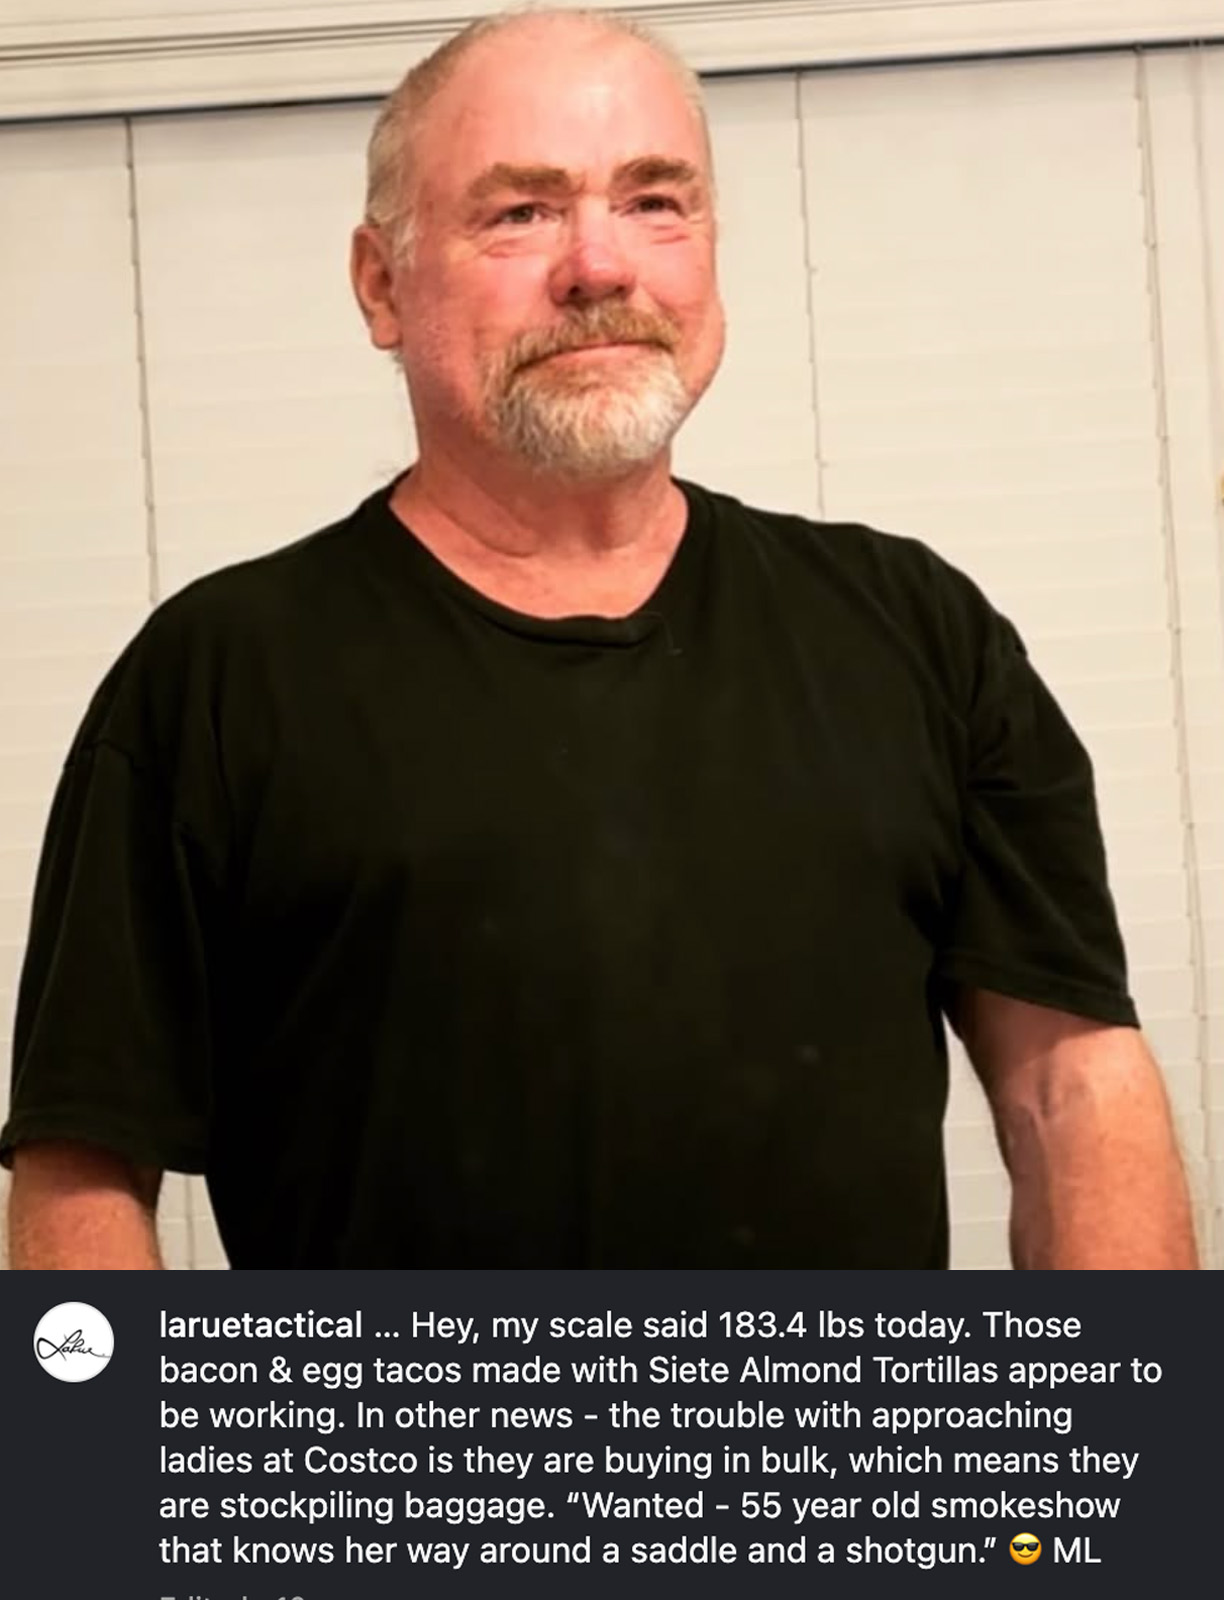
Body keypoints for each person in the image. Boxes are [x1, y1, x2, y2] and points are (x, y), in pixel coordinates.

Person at [1, 7, 1197, 1270]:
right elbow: (84, 1170)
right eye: (521, 212)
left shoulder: (919, 632)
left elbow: (1072, 1086)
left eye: (654, 202)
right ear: (381, 285)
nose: (599, 265)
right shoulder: (217, 677)